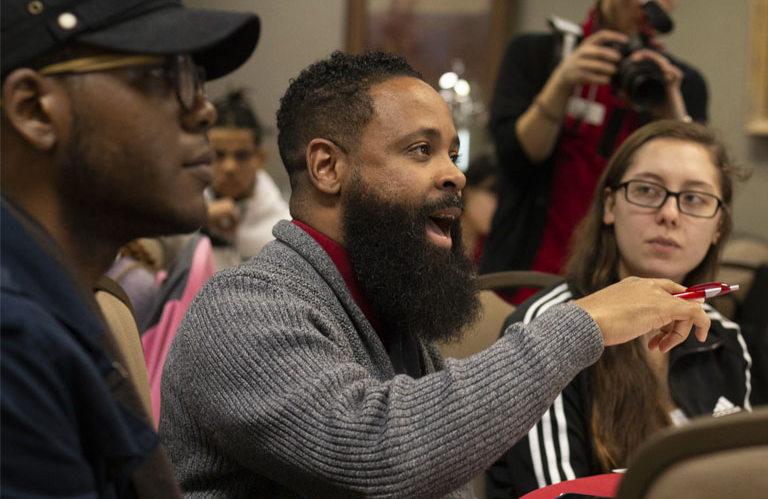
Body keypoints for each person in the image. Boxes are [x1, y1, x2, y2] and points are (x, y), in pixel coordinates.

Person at [158, 51, 712, 498]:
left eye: (452, 152)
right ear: (328, 167)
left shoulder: (390, 309)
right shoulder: (242, 309)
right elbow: (377, 457)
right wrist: (581, 321)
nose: (455, 174)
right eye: (420, 150)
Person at [0, 0, 260, 495]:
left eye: (198, 79)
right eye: (168, 77)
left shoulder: (56, 303)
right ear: (35, 109)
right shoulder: (14, 344)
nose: (203, 111)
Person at [485, 120, 752, 498]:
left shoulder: (723, 337)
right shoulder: (547, 326)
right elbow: (561, 496)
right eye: (646, 190)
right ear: (610, 205)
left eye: (694, 199)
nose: (670, 214)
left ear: (719, 227)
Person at [480, 0, 708, 305]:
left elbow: (697, 190)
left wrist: (672, 116)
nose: (655, 1)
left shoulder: (681, 84)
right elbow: (513, 160)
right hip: (525, 278)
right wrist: (561, 84)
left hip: (620, 289)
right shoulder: (534, 55)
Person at [203, 90, 291, 270]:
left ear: (260, 158)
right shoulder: (178, 219)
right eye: (218, 155)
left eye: (241, 156)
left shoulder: (285, 231)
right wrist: (198, 217)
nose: (229, 167)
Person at [460, 153, 500, 269]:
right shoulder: (439, 236)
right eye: (492, 191)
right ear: (466, 189)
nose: (497, 204)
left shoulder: (494, 248)